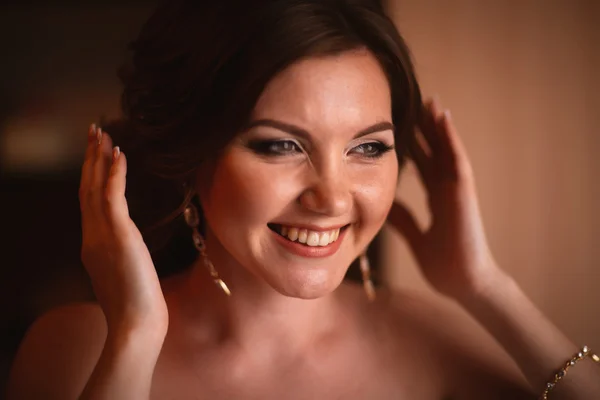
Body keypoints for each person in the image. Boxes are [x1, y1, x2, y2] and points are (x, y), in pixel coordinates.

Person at [6, 0, 600, 399]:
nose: (332, 196)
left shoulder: (435, 342)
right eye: (280, 145)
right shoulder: (75, 349)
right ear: (195, 157)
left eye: (368, 148)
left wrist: (485, 286)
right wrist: (133, 340)